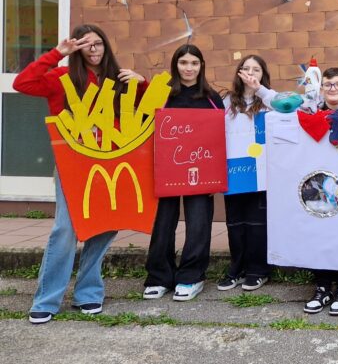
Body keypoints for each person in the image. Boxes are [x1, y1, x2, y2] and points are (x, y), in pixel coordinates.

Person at [15, 24, 146, 324]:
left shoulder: (119, 79)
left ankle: (88, 293)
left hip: (112, 164)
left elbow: (153, 109)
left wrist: (142, 84)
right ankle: (47, 300)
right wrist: (56, 54)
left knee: (106, 226)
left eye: (99, 43)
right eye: (87, 44)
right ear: (78, 48)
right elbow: (24, 83)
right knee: (65, 229)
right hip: (73, 165)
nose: (94, 49)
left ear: (106, 46)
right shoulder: (63, 78)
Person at [143, 44, 225, 301]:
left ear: (201, 66)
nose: (189, 68)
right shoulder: (161, 95)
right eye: (183, 63)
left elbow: (221, 138)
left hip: (200, 171)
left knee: (199, 223)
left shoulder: (212, 98)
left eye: (194, 63)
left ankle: (192, 276)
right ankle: (159, 276)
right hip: (166, 170)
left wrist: (216, 175)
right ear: (175, 65)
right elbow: (144, 130)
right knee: (163, 223)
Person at [302, 67, 338, 316]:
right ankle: (322, 286)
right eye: (328, 85)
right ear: (321, 88)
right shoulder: (310, 113)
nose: (333, 89)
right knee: (320, 231)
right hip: (319, 181)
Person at [217, 55, 273, 292]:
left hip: (261, 173)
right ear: (238, 73)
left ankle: (257, 270)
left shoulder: (270, 100)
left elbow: (293, 107)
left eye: (256, 69)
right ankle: (236, 268)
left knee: (257, 223)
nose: (251, 73)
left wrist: (260, 90)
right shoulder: (226, 102)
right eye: (246, 68)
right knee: (235, 223)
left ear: (263, 75)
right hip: (234, 173)